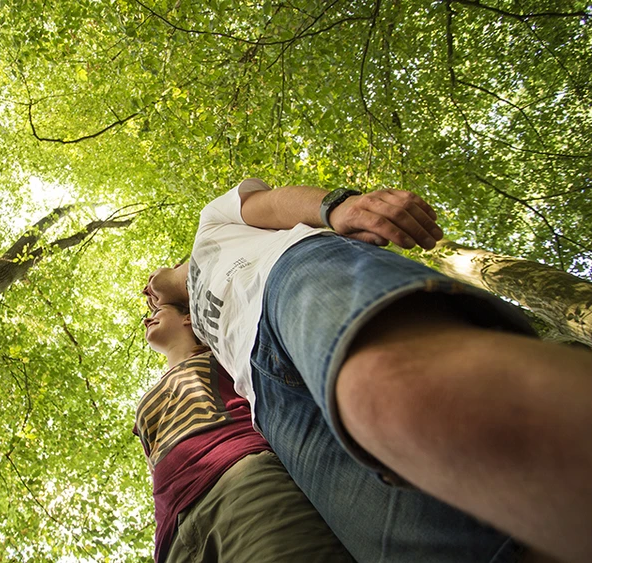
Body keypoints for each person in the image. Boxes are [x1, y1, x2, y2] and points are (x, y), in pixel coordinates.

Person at [142, 178, 593, 563]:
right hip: (270, 401)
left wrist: (337, 206)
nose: (149, 294)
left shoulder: (210, 230)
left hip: (286, 278)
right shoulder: (200, 327)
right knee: (423, 542)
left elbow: (268, 203)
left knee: (401, 395)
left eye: (153, 285)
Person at [135, 300, 356, 563]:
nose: (148, 319)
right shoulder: (148, 399)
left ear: (187, 318)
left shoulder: (224, 354)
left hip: (241, 479)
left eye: (158, 312)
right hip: (172, 531)